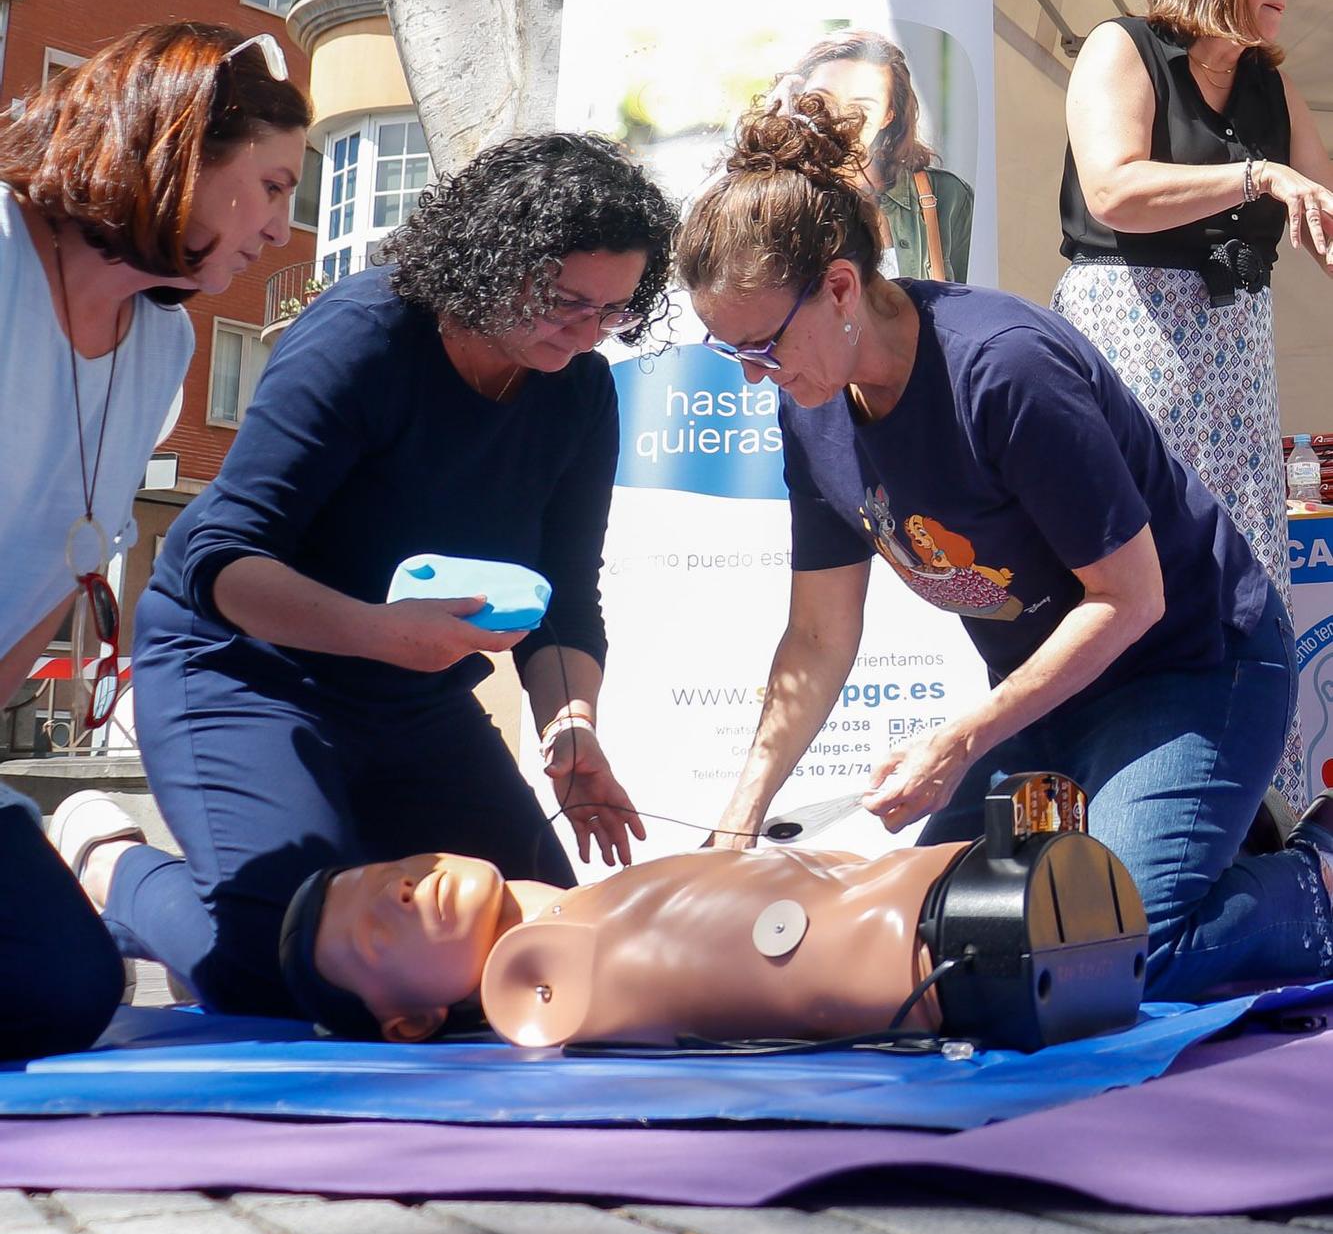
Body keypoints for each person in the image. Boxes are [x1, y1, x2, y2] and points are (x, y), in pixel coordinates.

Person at [671, 93, 1333, 1003]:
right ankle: (1212, 831)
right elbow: (819, 637)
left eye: (761, 345)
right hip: (1051, 699)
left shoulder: (1004, 368)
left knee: (1121, 948)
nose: (752, 373)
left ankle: (1314, 879)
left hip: (1190, 667)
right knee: (938, 944)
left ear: (836, 287)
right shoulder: (809, 403)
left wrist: (962, 739)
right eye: (728, 351)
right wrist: (740, 817)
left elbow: (1130, 601)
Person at [54, 133, 677, 1020]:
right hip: (242, 669)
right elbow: (219, 562)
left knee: (544, 960)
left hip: (410, 697)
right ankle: (110, 865)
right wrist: (384, 634)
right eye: (565, 302)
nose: (584, 334)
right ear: (489, 256)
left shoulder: (579, 391)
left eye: (611, 312)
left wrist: (571, 731)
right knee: (287, 969)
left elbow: (566, 597)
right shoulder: (366, 334)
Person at [0, 21, 309, 1059]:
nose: (281, 227)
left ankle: (89, 856)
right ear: (178, 148)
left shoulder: (163, 344)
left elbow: (67, 559)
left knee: (62, 989)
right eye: (269, 186)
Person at [1053, 0, 1333, 810]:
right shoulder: (1122, 47)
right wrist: (1254, 174)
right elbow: (1112, 190)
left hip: (1233, 338)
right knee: (1138, 547)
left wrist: (1297, 191)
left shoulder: (1265, 82)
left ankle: (1248, 801)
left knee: (1242, 553)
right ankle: (1128, 779)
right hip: (1131, 319)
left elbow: (1320, 201)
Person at [274, 837, 985, 1045]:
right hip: (944, 950)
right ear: (412, 1022)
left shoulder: (580, 911)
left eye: (393, 866)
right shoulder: (565, 981)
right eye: (376, 931)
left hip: (954, 882)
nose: (401, 889)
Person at [784, 32, 973, 282]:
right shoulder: (774, 193)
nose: (840, 117)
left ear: (888, 115)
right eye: (822, 100)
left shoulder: (947, 196)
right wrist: (774, 118)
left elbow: (973, 307)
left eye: (861, 107)